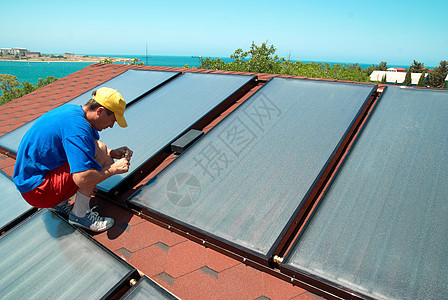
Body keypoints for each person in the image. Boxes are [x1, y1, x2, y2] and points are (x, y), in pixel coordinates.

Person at [13, 87, 133, 232]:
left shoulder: (73, 112)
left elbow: (79, 145)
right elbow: (82, 179)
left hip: (30, 182)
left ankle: (59, 203)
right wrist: (113, 170)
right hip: (39, 191)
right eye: (112, 120)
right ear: (100, 111)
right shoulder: (77, 129)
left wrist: (111, 152)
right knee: (99, 152)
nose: (112, 125)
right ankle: (80, 215)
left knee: (101, 149)